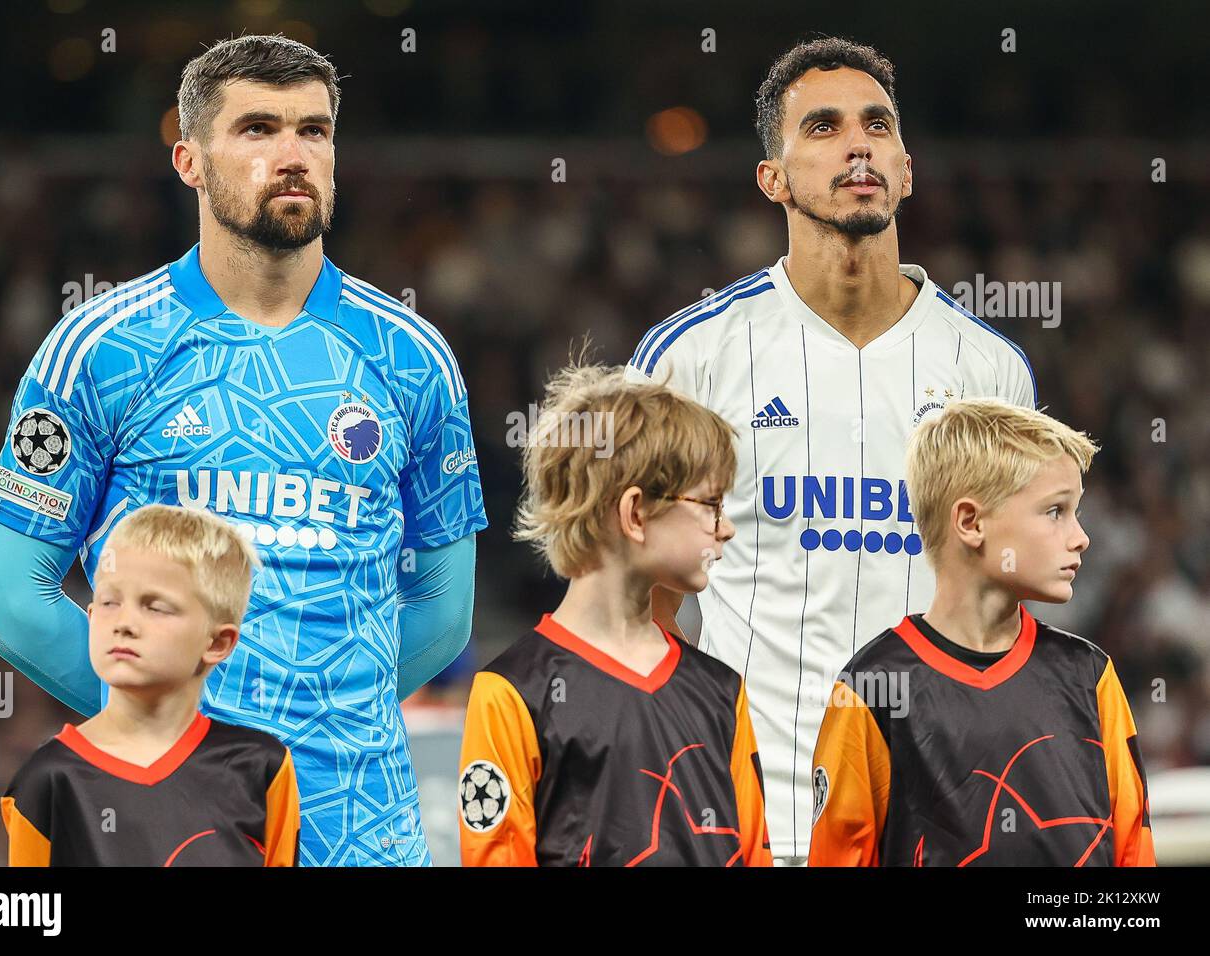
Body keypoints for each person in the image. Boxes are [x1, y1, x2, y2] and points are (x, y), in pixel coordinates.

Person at [0, 34, 487, 866]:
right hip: (164, 824)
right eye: (257, 129)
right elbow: (13, 600)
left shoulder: (413, 356)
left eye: (314, 131)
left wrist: (321, 721)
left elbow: (443, 608)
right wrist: (164, 729)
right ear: (188, 159)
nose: (293, 155)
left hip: (360, 829)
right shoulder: (101, 348)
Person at [625, 37, 1037, 862]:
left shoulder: (990, 371)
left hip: (946, 816)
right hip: (748, 815)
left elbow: (1005, 608)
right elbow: (638, 606)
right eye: (822, 127)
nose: (858, 145)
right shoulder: (690, 358)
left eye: (877, 125)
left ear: (907, 169)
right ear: (771, 179)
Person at [808, 399, 1154, 866]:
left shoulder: (1090, 678)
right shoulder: (874, 688)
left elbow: (1134, 854)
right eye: (1056, 511)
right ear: (971, 522)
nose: (1080, 537)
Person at [458, 365, 771, 866]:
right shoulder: (512, 694)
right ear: (636, 513)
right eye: (710, 503)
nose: (727, 528)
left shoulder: (722, 692)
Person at [1, 504, 300, 866]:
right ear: (91, 616)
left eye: (155, 606)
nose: (124, 622)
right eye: (110, 601)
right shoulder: (46, 781)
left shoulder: (262, 767)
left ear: (217, 642)